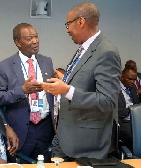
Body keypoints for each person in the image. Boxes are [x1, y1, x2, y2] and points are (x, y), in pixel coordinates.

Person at [41, 2, 121, 160]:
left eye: (68, 24)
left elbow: (108, 100)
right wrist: (66, 81)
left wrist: (67, 90)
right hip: (66, 137)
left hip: (86, 146)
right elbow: (86, 83)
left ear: (81, 21)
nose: (67, 30)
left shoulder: (106, 52)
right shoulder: (83, 49)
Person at [0, 23, 55, 163]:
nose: (35, 41)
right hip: (21, 129)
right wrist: (22, 90)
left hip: (46, 126)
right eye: (29, 38)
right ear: (17, 42)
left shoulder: (47, 62)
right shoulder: (4, 66)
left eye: (36, 36)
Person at [118, 67, 140, 151]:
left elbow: (137, 104)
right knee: (135, 136)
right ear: (122, 76)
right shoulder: (115, 89)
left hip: (136, 118)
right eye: (130, 79)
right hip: (123, 120)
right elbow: (114, 111)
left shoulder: (133, 87)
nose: (132, 82)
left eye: (134, 79)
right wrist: (130, 110)